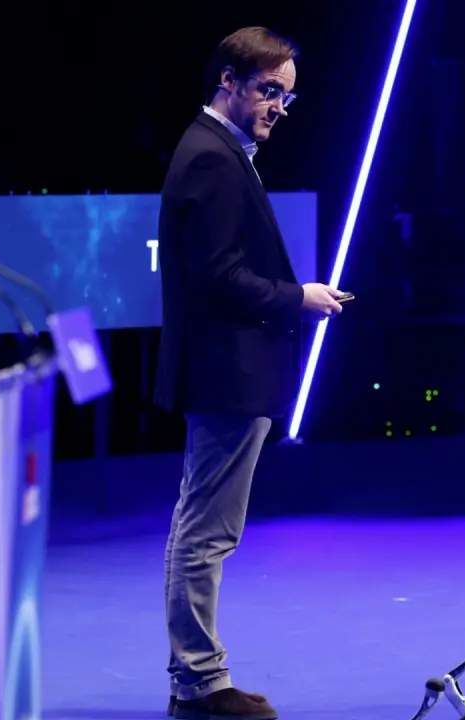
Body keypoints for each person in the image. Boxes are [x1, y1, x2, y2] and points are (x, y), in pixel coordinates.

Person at [154, 27, 345, 720]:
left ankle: (196, 679)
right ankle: (199, 684)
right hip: (226, 373)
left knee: (202, 526)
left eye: (287, 96)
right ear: (228, 81)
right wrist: (300, 298)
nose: (278, 107)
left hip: (228, 371)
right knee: (206, 531)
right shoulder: (211, 157)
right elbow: (221, 278)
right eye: (269, 90)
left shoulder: (219, 150)